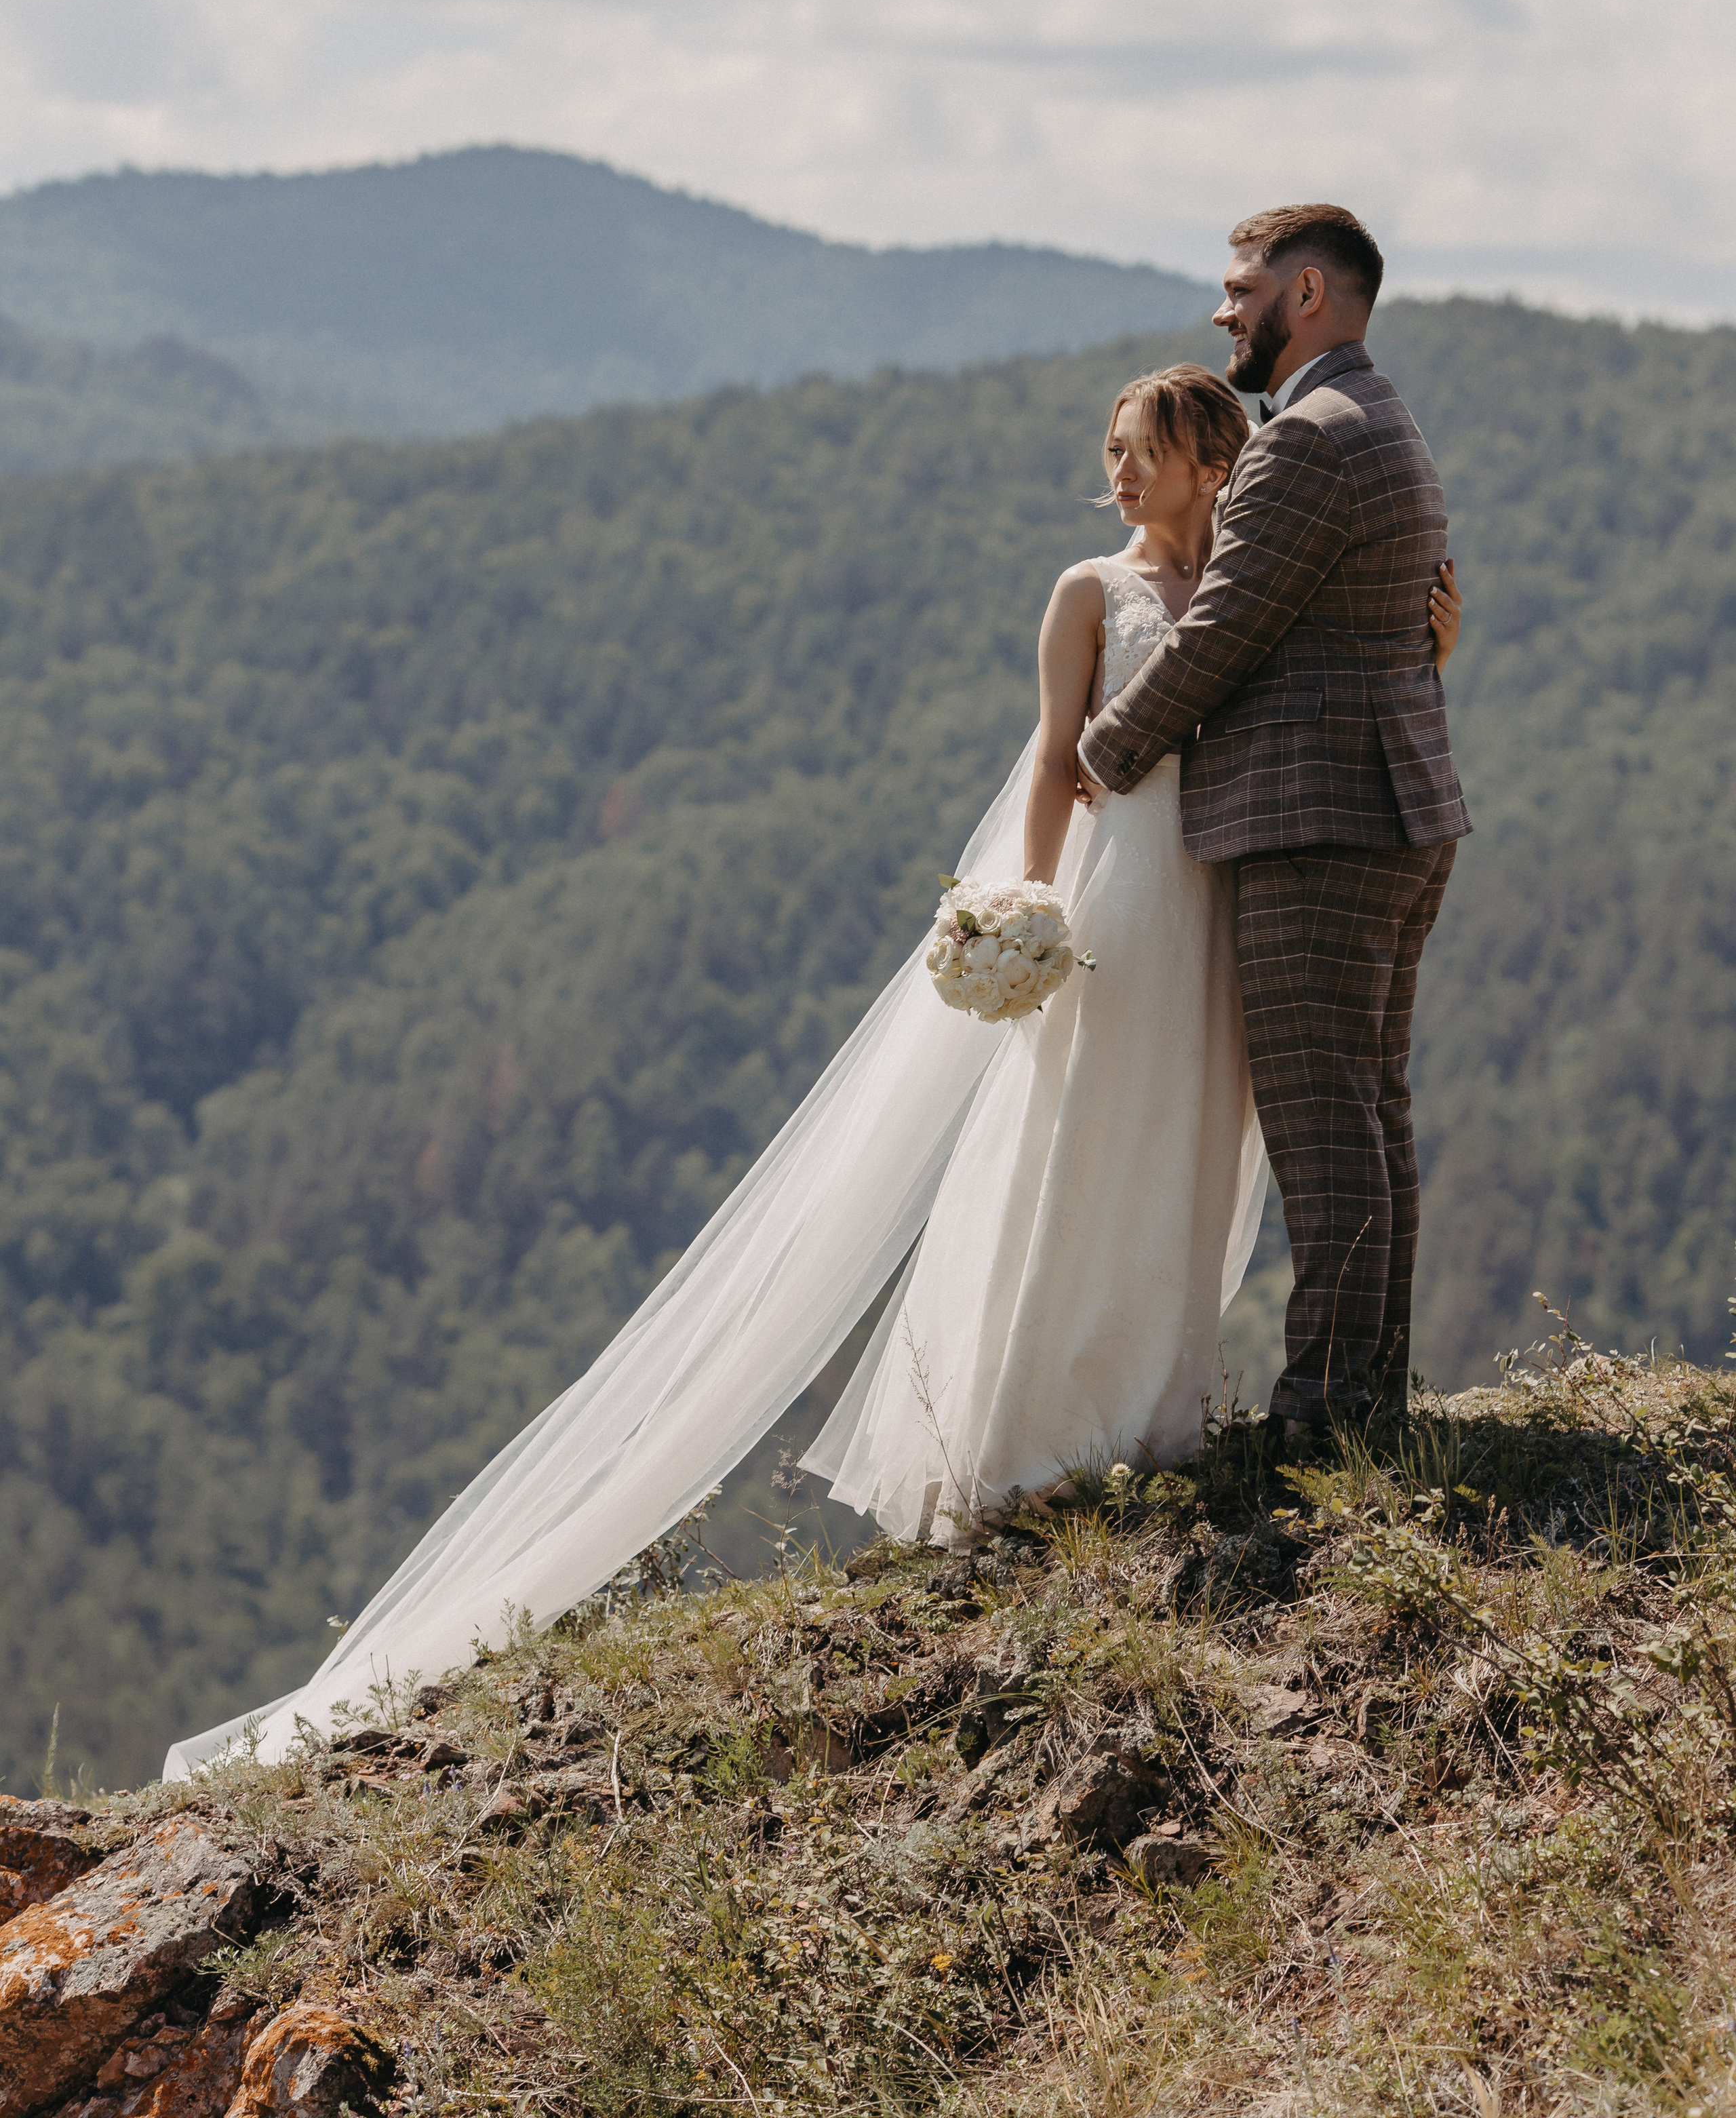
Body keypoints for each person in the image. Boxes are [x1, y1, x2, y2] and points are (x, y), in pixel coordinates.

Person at [164, 321, 1462, 1777]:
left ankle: (1152, 1417)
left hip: (1213, 896)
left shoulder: (1240, 585)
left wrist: (1422, 623)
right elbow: (1053, 755)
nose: (1113, 478)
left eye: (1138, 455)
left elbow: (1324, 645)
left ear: (1206, 462)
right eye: (1109, 456)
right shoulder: (1084, 592)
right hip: (1112, 899)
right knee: (1073, 1140)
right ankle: (1031, 1440)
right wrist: (1022, 905)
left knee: (1183, 1147)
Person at [1077, 203, 1470, 1443]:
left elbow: (1228, 624)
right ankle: (1368, 1396)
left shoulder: (1303, 442)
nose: (1222, 308)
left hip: (1320, 823)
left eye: (1240, 285)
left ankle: (1327, 1410)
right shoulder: (1384, 418)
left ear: (1306, 293)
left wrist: (1109, 744)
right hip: (1395, 809)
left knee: (1322, 1126)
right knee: (1369, 1114)